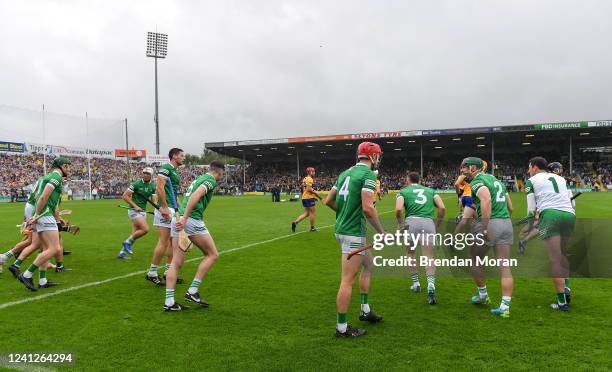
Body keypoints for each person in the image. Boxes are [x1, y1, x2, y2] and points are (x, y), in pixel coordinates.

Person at [324, 142, 386, 337]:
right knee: (347, 280)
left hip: (342, 230)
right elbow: (368, 208)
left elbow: (328, 201)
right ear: (373, 156)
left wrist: (345, 213)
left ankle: (365, 310)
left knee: (369, 265)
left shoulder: (345, 173)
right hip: (352, 233)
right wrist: (382, 232)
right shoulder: (368, 175)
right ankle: (341, 328)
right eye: (378, 156)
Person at [455, 157, 514, 318]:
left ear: (474, 168)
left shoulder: (477, 181)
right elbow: (510, 207)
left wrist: (486, 226)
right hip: (505, 223)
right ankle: (505, 307)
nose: (462, 170)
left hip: (490, 224)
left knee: (474, 259)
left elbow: (486, 199)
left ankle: (483, 296)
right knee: (504, 266)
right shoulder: (496, 180)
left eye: (465, 167)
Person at [164, 160, 225, 311]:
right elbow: (196, 196)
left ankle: (169, 302)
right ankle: (192, 291)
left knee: (175, 263)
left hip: (178, 220)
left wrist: (182, 218)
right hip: (190, 220)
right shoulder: (210, 180)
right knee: (212, 254)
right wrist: (185, 218)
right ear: (219, 172)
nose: (222, 176)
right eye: (223, 174)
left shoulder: (200, 178)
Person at [525, 157, 576, 311]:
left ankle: (561, 302)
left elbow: (531, 210)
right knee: (563, 255)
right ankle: (567, 288)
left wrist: (529, 226)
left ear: (534, 167)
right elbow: (572, 202)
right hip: (569, 216)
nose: (528, 171)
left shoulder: (531, 181)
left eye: (529, 167)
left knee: (554, 260)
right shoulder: (560, 179)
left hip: (550, 216)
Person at [17, 157, 72, 291]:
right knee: (54, 248)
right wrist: (37, 214)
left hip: (44, 214)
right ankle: (27, 274)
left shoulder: (50, 176)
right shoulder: (56, 177)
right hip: (44, 215)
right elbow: (43, 197)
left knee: (45, 249)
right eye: (68, 166)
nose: (69, 169)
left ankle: (42, 281)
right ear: (61, 166)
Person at [395, 171, 446, 304]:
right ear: (419, 180)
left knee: (410, 253)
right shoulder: (430, 191)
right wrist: (437, 225)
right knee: (428, 256)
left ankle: (416, 283)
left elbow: (399, 210)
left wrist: (401, 225)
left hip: (411, 223)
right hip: (428, 223)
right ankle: (430, 284)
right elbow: (442, 208)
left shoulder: (403, 192)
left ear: (408, 180)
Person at [146, 148, 185, 286]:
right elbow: (159, 188)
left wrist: (180, 209)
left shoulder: (174, 171)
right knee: (163, 241)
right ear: (174, 156)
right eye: (181, 155)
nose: (183, 158)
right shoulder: (166, 168)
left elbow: (173, 192)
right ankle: (152, 272)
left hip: (172, 208)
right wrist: (163, 207)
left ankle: (169, 272)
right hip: (166, 208)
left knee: (172, 243)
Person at [118, 167, 157, 259]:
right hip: (133, 211)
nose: (145, 175)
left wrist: (157, 208)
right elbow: (125, 196)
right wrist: (135, 206)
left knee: (134, 235)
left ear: (151, 175)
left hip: (143, 211)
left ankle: (122, 252)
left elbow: (154, 200)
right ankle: (126, 243)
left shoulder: (153, 186)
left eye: (148, 174)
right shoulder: (136, 183)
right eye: (144, 173)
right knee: (145, 229)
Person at [291, 167, 322, 232]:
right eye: (313, 171)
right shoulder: (310, 179)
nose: (314, 173)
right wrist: (318, 196)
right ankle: (312, 228)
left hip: (304, 197)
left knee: (307, 213)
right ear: (310, 172)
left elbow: (304, 189)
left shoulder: (304, 179)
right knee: (312, 213)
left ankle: (295, 222)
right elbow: (309, 189)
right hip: (308, 198)